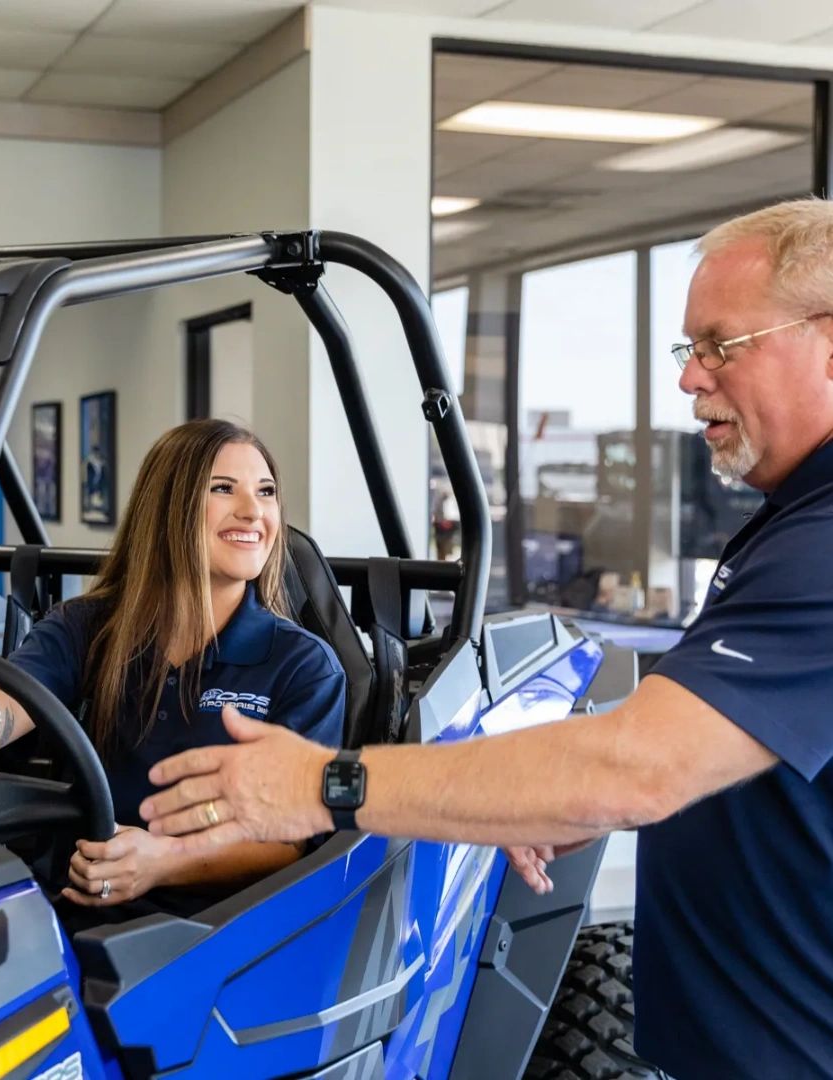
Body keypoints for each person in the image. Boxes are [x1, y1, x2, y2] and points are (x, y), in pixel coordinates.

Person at [139, 200, 833, 1080]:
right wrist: (545, 796)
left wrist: (322, 783)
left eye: (719, 346)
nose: (691, 380)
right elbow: (733, 749)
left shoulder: (823, 543)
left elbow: (639, 766)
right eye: (685, 350)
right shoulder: (792, 523)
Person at [0, 418, 345, 925]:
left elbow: (291, 842)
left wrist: (163, 862)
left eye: (266, 492)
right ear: (168, 507)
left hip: (208, 930)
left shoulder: (303, 667)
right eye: (223, 489)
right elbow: (14, 691)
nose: (253, 512)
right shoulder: (89, 625)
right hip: (72, 912)